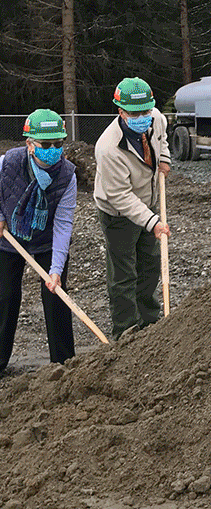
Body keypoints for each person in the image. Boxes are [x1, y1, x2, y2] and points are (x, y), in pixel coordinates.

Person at [0, 110, 77, 373]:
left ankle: (64, 363)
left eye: (58, 144)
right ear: (29, 144)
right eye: (46, 145)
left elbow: (63, 224)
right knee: (5, 297)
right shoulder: (8, 163)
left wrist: (55, 270)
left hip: (45, 241)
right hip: (9, 239)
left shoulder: (67, 175)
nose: (53, 150)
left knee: (56, 296)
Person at [94, 78, 171, 340]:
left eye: (145, 112)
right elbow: (120, 197)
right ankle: (126, 331)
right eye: (134, 113)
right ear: (121, 112)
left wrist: (165, 160)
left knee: (149, 266)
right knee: (124, 273)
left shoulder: (156, 119)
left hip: (148, 204)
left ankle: (149, 325)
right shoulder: (107, 148)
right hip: (118, 214)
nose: (142, 117)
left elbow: (162, 140)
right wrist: (154, 222)